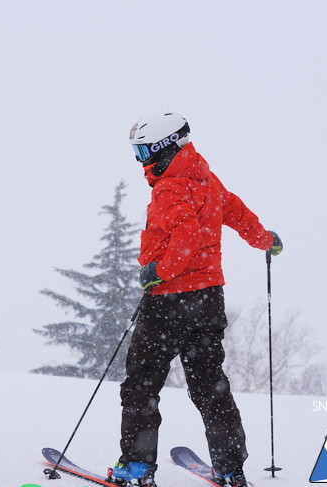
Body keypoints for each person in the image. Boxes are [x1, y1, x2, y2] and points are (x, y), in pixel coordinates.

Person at [107, 112, 283, 487]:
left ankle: (137, 467)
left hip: (169, 302)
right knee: (209, 384)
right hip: (207, 302)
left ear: (163, 148)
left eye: (142, 152)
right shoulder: (205, 178)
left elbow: (184, 235)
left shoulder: (169, 186)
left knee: (142, 383)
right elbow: (235, 211)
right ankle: (230, 468)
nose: (141, 161)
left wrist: (159, 271)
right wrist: (265, 238)